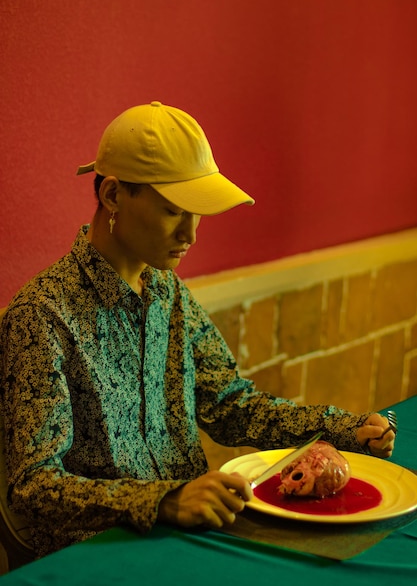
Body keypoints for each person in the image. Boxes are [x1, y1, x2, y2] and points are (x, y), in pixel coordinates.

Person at [0, 101, 395, 558]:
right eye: (173, 211)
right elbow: (33, 487)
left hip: (192, 535)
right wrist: (162, 502)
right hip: (97, 556)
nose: (191, 234)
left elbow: (232, 407)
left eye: (197, 212)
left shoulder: (168, 292)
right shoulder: (42, 315)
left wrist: (341, 428)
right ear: (112, 195)